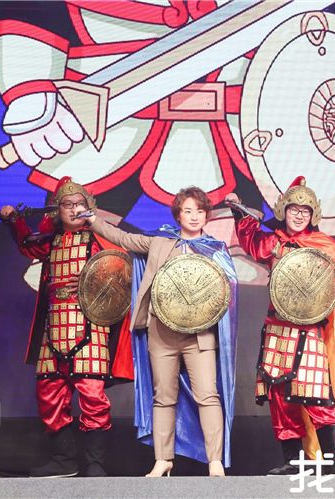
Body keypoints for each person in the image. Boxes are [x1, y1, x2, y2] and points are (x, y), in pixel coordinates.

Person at [86, 186, 238, 477]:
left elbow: (225, 290)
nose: (194, 216)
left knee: (208, 395)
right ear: (178, 215)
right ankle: (163, 459)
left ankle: (215, 461)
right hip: (161, 331)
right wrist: (93, 220)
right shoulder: (160, 241)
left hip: (200, 335)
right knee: (163, 397)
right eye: (188, 211)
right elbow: (124, 238)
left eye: (200, 211)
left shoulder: (215, 249)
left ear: (207, 215)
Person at [0, 177, 133, 478]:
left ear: (89, 207)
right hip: (54, 329)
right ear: (57, 211)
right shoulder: (51, 242)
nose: (73, 209)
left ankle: (95, 463)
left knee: (92, 394)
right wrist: (14, 221)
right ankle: (64, 460)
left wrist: (92, 280)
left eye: (79, 204)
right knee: (49, 391)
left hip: (90, 329)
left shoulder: (100, 239)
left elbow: (123, 271)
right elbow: (27, 245)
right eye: (67, 204)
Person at [226, 176, 335, 475]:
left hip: (308, 329)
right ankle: (293, 462)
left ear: (313, 215)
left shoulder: (323, 245)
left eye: (305, 211)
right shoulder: (274, 242)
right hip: (277, 328)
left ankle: (332, 463)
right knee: (281, 399)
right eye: (294, 209)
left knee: (316, 394)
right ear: (284, 211)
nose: (298, 215)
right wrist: (237, 210)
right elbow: (253, 242)